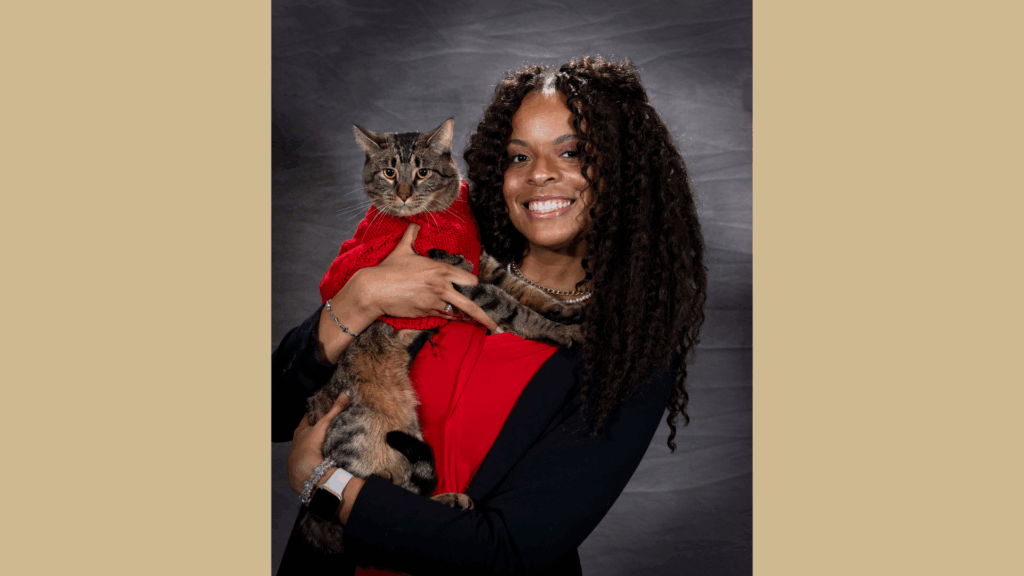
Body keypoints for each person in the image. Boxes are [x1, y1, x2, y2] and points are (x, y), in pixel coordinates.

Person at [272, 55, 707, 575]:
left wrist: (326, 484)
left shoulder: (626, 352)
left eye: (571, 152)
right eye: (518, 157)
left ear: (624, 171)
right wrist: (359, 296)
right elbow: (275, 412)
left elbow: (504, 548)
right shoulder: (441, 251)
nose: (541, 174)